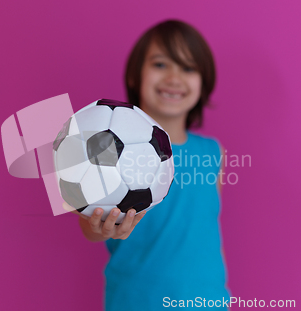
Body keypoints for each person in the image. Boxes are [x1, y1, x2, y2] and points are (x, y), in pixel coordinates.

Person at [75, 19, 231, 310]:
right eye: (160, 64)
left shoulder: (213, 153)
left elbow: (208, 230)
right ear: (135, 76)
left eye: (188, 68)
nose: (174, 77)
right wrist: (102, 228)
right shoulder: (107, 145)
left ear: (204, 81)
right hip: (136, 301)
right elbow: (90, 226)